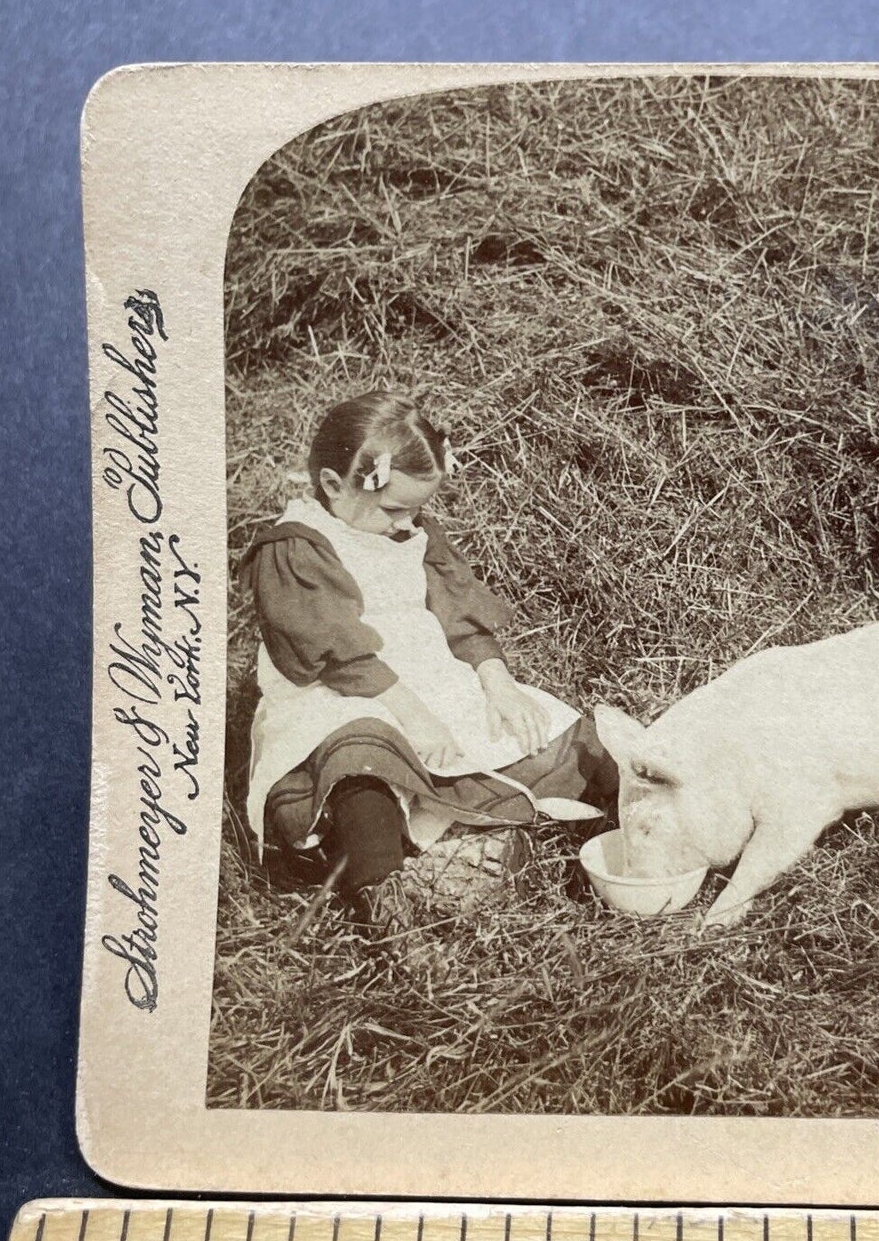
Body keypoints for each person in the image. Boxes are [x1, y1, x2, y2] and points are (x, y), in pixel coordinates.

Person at [241, 391, 617, 925]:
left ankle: (647, 820)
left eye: (418, 509)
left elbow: (461, 618)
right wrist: (415, 717)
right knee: (359, 763)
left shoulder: (413, 532)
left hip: (431, 682)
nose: (407, 522)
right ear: (332, 485)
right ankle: (385, 898)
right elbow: (337, 655)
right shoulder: (297, 547)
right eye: (395, 508)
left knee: (565, 738)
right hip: (344, 695)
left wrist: (498, 684)